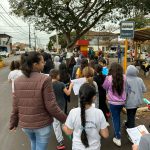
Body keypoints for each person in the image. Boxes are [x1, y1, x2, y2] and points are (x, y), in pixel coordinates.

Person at [9, 51, 67, 150]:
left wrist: (13, 122)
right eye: (42, 62)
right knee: (40, 146)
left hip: (26, 125)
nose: (44, 63)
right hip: (42, 125)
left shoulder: (17, 81)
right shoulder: (45, 79)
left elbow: (15, 104)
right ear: (35, 65)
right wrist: (66, 120)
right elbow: (51, 105)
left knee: (33, 142)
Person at [63, 83, 109, 150]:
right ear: (94, 98)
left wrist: (63, 126)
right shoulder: (99, 113)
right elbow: (106, 135)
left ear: (79, 96)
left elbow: (69, 132)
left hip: (77, 148)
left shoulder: (73, 112)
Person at [103, 62, 126, 147]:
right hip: (122, 102)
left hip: (113, 102)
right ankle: (118, 133)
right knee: (117, 117)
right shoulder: (124, 77)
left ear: (111, 70)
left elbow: (104, 87)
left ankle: (117, 137)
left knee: (115, 119)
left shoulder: (109, 78)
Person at [50, 69, 73, 150]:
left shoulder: (48, 85)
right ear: (56, 76)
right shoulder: (61, 84)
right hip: (61, 105)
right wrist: (70, 86)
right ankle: (70, 131)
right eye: (58, 75)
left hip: (53, 107)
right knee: (62, 119)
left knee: (55, 124)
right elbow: (68, 93)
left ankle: (60, 141)